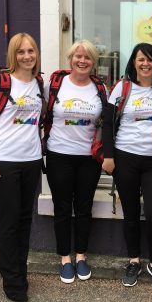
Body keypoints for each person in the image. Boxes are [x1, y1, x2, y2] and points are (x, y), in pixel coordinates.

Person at [0, 32, 44, 302]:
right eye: (21, 52)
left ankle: (20, 271)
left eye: (31, 51)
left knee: (25, 220)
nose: (27, 56)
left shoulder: (41, 84)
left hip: (31, 160)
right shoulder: (0, 82)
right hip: (4, 160)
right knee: (10, 222)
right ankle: (12, 280)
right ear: (13, 55)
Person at [102, 43, 152, 290]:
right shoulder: (122, 87)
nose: (145, 64)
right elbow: (108, 123)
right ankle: (134, 260)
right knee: (130, 213)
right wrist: (108, 155)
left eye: (151, 59)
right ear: (134, 62)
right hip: (125, 157)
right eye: (141, 59)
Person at [44, 39, 105, 284]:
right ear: (70, 60)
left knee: (83, 207)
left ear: (93, 62)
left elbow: (106, 123)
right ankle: (64, 259)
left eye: (87, 57)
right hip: (59, 154)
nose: (82, 61)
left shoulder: (100, 88)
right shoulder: (55, 84)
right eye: (77, 56)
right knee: (61, 207)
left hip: (89, 158)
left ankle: (80, 256)